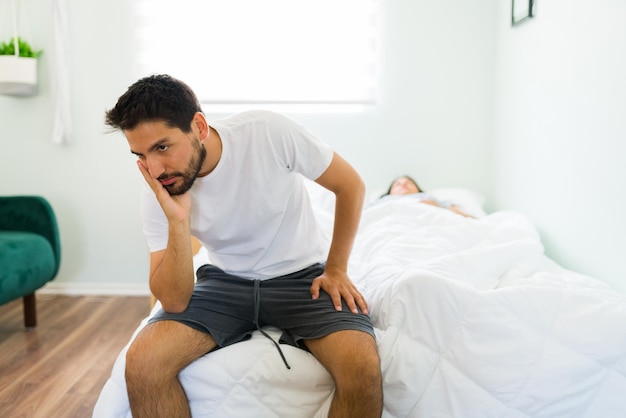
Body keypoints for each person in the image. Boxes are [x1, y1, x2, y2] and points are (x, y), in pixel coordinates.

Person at [104, 74, 382, 418]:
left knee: (361, 366)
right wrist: (178, 222)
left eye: (162, 147)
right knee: (143, 361)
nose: (155, 168)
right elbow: (173, 299)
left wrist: (336, 268)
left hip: (301, 279)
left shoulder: (267, 133)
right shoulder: (158, 189)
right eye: (141, 154)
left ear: (200, 127)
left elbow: (350, 185)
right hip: (224, 283)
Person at [382, 175, 474, 217]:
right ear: (390, 192)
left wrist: (437, 207)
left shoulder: (428, 198)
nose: (403, 185)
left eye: (409, 183)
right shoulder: (382, 202)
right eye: (397, 184)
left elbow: (464, 217)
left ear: (417, 189)